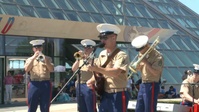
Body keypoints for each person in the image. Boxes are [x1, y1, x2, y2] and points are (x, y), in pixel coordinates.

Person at [87, 23, 130, 112]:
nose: (102, 41)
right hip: (105, 94)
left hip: (117, 93)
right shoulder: (102, 54)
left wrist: (96, 68)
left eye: (105, 38)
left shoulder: (121, 55)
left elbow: (116, 72)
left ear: (114, 38)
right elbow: (98, 72)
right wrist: (92, 80)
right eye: (101, 38)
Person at [131, 35, 164, 112]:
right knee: (139, 108)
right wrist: (138, 64)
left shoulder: (157, 56)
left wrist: (146, 62)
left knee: (149, 108)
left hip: (151, 84)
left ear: (146, 46)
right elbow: (138, 68)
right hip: (143, 84)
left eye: (140, 49)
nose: (140, 52)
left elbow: (155, 73)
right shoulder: (142, 54)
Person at [24, 39, 54, 112]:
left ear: (42, 48)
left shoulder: (48, 58)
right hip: (34, 83)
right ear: (33, 49)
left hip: (45, 83)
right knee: (32, 105)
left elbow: (51, 69)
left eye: (39, 47)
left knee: (45, 105)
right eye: (36, 47)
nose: (38, 49)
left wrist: (45, 60)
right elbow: (27, 69)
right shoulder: (29, 59)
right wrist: (34, 58)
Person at [72, 39, 97, 112]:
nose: (86, 50)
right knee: (81, 107)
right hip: (80, 84)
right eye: (85, 48)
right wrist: (78, 59)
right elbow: (73, 69)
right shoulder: (81, 59)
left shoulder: (94, 59)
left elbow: (94, 70)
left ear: (92, 49)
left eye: (88, 48)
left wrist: (87, 58)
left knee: (90, 107)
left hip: (88, 85)